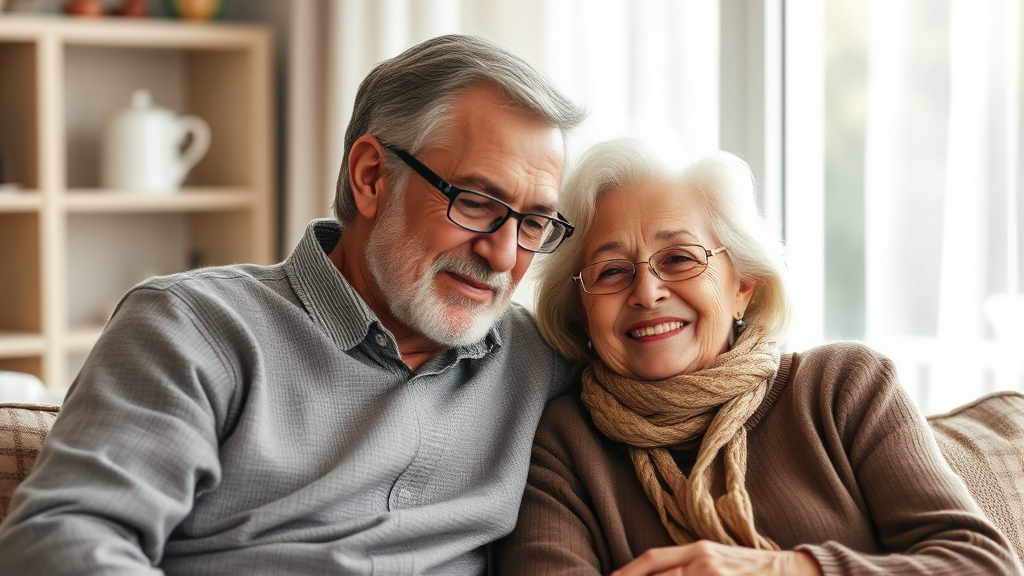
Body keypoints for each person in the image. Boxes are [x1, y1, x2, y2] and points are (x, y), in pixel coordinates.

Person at [0, 34, 586, 575]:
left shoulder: (538, 360)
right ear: (371, 177)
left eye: (534, 222)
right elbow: (62, 541)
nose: (504, 255)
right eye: (477, 202)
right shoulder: (191, 329)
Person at [493, 139, 1024, 575]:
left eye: (679, 258)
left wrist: (782, 570)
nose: (647, 292)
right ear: (582, 313)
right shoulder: (564, 443)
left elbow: (983, 564)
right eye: (611, 271)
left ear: (743, 285)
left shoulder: (843, 387)